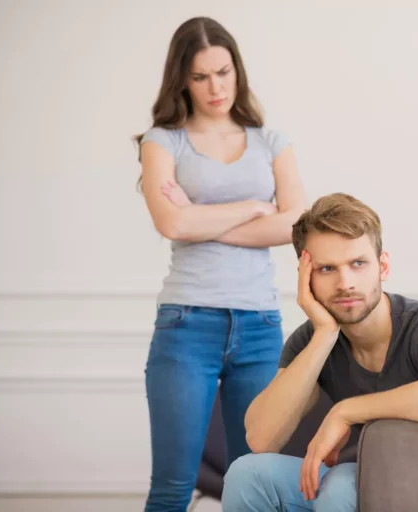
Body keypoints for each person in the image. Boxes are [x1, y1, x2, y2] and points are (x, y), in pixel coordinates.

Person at [221, 193, 418, 511]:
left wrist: (348, 411)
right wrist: (325, 335)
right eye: (327, 269)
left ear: (382, 266)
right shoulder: (314, 339)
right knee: (248, 475)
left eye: (358, 264)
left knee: (343, 484)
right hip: (382, 481)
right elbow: (261, 438)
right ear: (306, 277)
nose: (345, 283)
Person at [135, 16, 307, 512]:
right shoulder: (163, 141)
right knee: (172, 485)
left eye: (224, 72)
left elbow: (296, 225)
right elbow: (170, 224)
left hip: (258, 326)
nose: (216, 87)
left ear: (238, 71)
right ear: (181, 80)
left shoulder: (272, 141)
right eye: (201, 76)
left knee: (251, 480)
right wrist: (256, 208)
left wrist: (198, 216)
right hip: (187, 323)